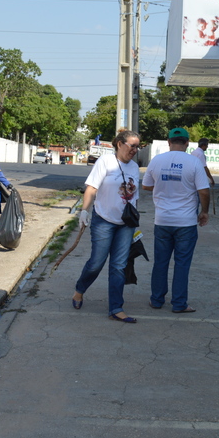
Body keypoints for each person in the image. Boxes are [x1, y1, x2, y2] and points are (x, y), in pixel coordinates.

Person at [71, 130, 141, 323]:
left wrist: (136, 225)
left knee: (119, 266)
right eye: (132, 145)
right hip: (104, 220)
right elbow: (91, 188)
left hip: (126, 224)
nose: (135, 150)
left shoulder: (135, 167)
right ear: (120, 144)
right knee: (96, 263)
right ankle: (80, 290)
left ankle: (116, 308)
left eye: (138, 146)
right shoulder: (105, 162)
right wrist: (84, 211)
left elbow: (134, 196)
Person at [143, 128, 210, 313]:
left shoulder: (157, 161)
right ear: (187, 142)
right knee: (182, 264)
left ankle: (156, 300)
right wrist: (204, 211)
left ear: (168, 141)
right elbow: (203, 191)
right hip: (186, 222)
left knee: (160, 262)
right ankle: (179, 304)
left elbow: (146, 185)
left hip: (162, 220)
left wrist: (164, 186)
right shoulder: (194, 162)